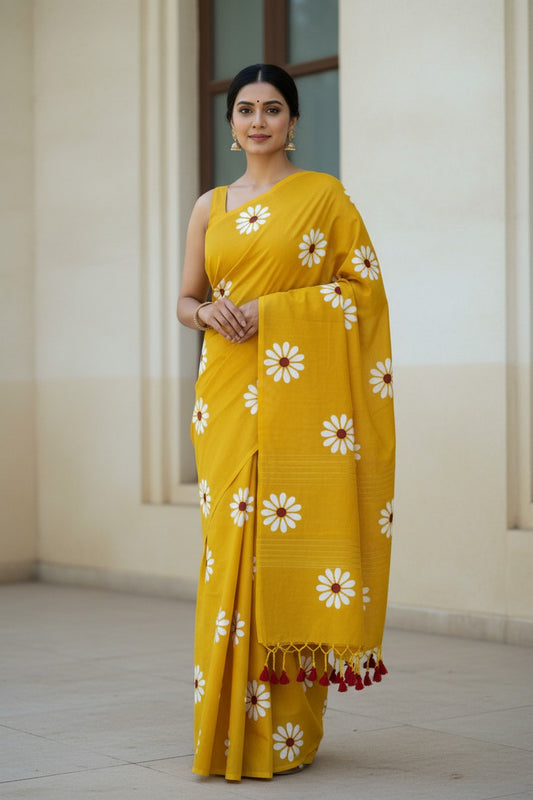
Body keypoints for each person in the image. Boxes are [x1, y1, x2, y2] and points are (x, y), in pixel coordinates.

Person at [177, 63, 395, 782]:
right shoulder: (210, 206)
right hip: (226, 392)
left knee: (289, 543)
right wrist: (205, 312)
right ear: (231, 124)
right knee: (229, 547)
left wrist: (271, 312)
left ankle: (287, 731)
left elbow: (361, 295)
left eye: (273, 108)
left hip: (300, 392)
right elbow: (186, 299)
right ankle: (225, 725)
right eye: (245, 109)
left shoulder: (323, 197)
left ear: (293, 122)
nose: (258, 120)